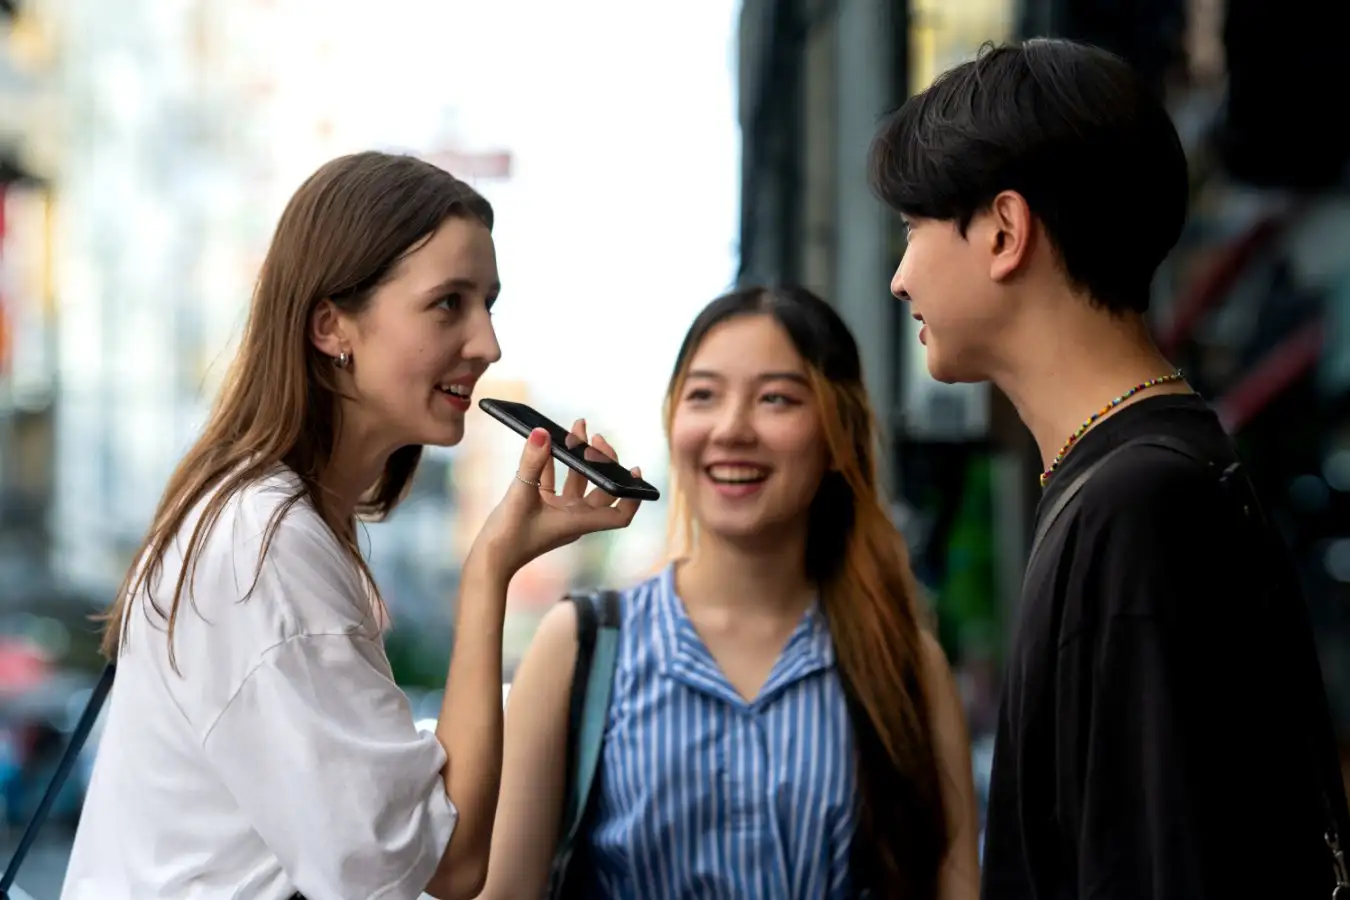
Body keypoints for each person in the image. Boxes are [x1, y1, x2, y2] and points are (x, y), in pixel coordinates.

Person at [61, 151, 644, 900]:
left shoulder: (272, 522)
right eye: (448, 304)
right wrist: (489, 569)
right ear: (332, 325)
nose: (487, 344)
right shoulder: (264, 546)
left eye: (488, 304)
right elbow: (449, 865)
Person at [869, 38, 1348, 900]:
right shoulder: (1149, 472)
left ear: (1006, 231)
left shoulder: (1134, 502)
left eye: (914, 229)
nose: (900, 279)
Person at [475, 285, 981, 900]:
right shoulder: (582, 644)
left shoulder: (907, 667)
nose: (732, 429)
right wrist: (492, 564)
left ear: (837, 436)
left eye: (776, 398)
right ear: (673, 424)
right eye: (704, 395)